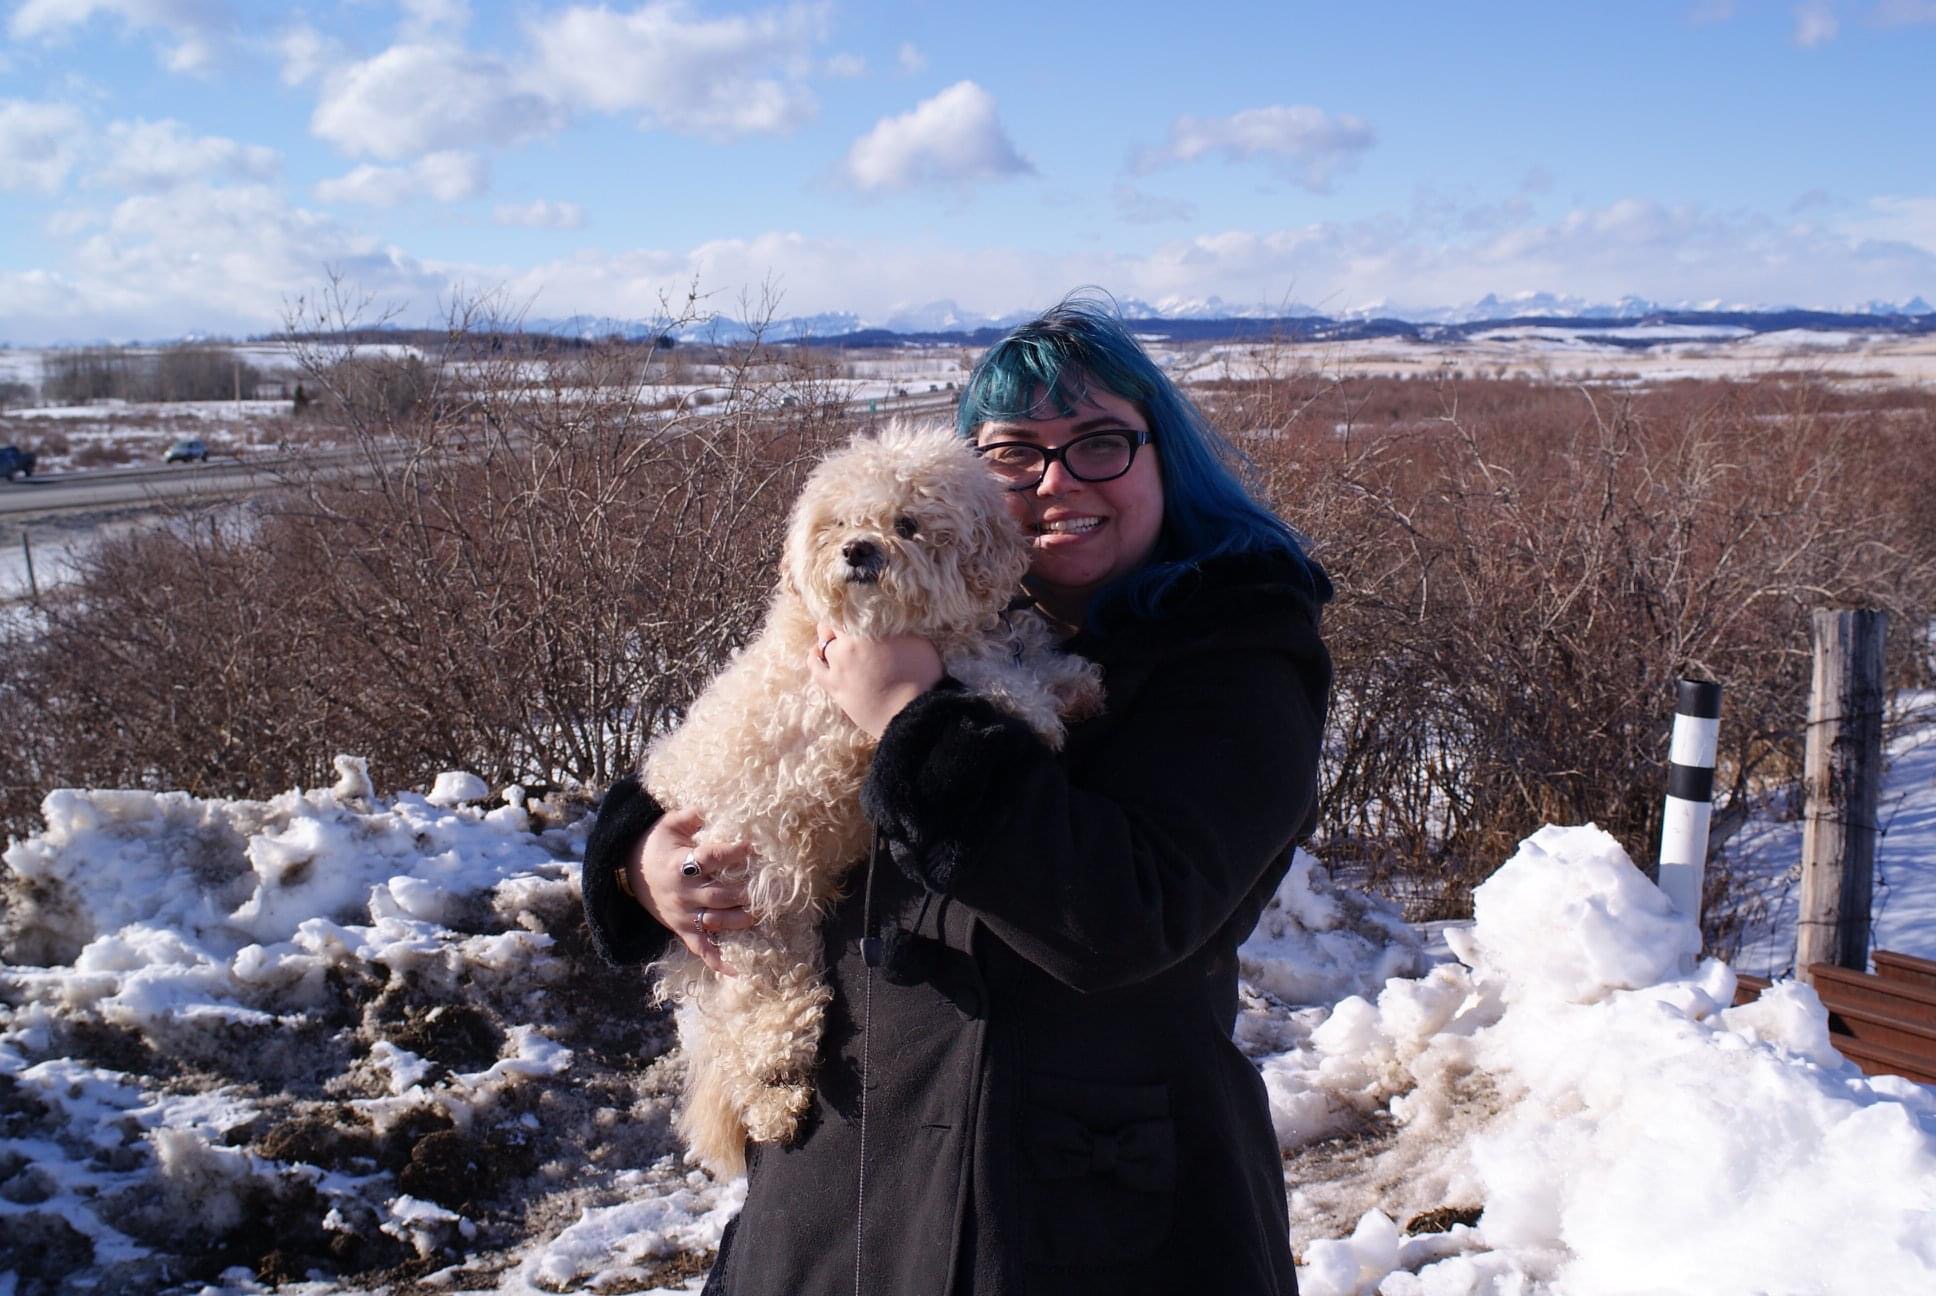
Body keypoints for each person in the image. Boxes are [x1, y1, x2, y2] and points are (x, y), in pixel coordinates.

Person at [581, 293, 1333, 1294]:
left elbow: (1123, 918)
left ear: (1164, 456)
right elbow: (732, 741)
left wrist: (911, 721)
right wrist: (643, 862)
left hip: (1080, 1213)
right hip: (840, 1198)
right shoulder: (929, 605)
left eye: (1099, 442)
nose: (1057, 480)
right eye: (1016, 453)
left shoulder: (1235, 658)